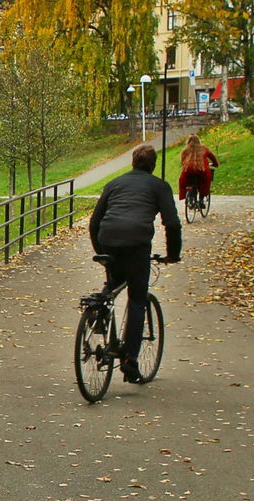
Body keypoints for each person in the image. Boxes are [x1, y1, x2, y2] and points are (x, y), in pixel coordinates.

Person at [88, 146, 183, 383]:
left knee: (115, 279)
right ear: (152, 165)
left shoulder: (114, 184)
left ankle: (97, 309)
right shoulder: (159, 186)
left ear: (132, 162)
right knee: (138, 298)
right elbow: (172, 223)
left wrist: (102, 253)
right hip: (137, 245)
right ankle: (130, 360)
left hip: (108, 239)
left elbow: (94, 222)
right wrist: (173, 254)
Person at [177, 135, 220, 208]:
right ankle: (201, 200)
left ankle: (189, 199)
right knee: (204, 182)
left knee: (187, 181)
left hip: (189, 171)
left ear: (189, 141)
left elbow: (182, 162)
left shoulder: (185, 150)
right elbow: (212, 157)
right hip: (201, 170)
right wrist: (215, 164)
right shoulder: (204, 149)